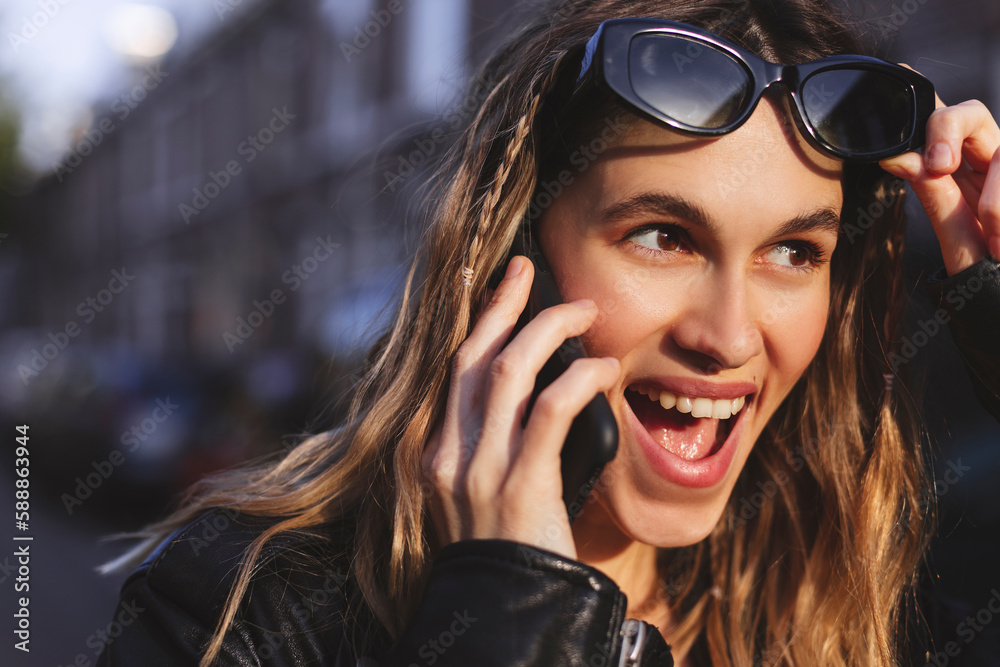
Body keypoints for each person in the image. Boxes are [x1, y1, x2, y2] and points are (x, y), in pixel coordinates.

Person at [96, 0, 1000, 665]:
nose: (728, 337)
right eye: (662, 237)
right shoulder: (244, 610)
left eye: (795, 252)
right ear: (510, 262)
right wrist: (505, 620)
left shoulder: (871, 607)